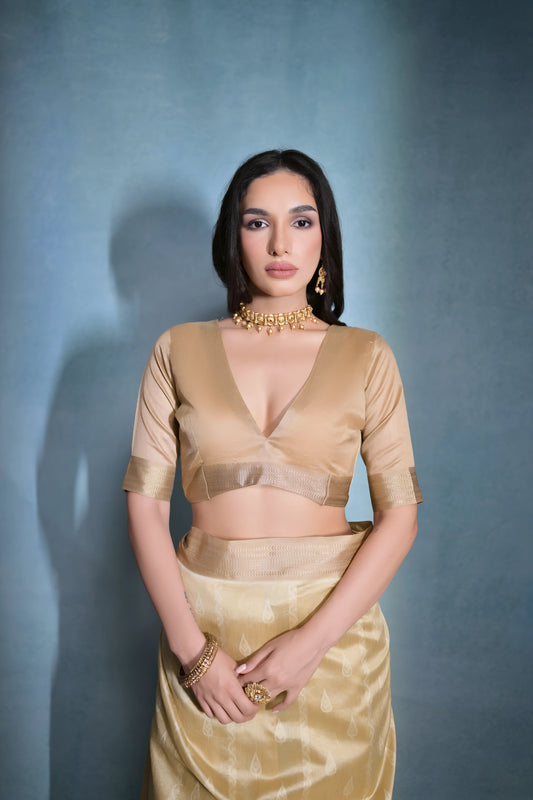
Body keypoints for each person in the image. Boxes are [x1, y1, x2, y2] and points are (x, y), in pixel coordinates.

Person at [123, 149, 423, 799]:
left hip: (332, 637)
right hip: (203, 628)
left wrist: (311, 644)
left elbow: (400, 515)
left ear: (326, 235)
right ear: (232, 235)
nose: (281, 242)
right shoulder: (175, 348)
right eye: (257, 222)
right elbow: (144, 507)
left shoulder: (366, 354)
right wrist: (192, 653)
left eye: (302, 221)